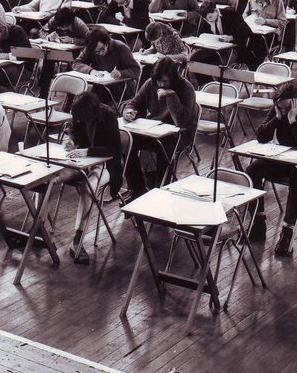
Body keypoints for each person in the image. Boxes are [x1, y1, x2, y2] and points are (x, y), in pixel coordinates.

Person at [246, 84, 297, 257]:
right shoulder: (278, 111)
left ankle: (287, 231)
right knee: (252, 171)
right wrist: (277, 118)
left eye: (287, 107)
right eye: (281, 107)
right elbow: (261, 137)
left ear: (296, 103)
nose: (285, 111)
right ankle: (258, 221)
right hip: (284, 158)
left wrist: (293, 121)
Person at [56, 91, 123, 262]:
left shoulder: (108, 116)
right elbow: (74, 134)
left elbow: (114, 149)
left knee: (89, 186)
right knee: (52, 177)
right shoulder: (79, 115)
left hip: (104, 164)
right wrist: (70, 141)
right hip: (82, 161)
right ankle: (38, 227)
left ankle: (77, 239)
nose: (80, 121)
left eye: (84, 118)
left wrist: (87, 151)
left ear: (92, 113)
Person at [123, 58, 197, 197]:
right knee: (128, 141)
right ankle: (137, 189)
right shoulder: (151, 84)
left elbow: (181, 121)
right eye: (158, 81)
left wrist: (171, 95)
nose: (160, 84)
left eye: (164, 81)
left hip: (180, 134)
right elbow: (134, 104)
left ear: (173, 78)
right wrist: (128, 112)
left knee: (165, 146)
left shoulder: (186, 88)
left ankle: (161, 190)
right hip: (155, 130)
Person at [74, 28, 140, 93]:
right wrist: (91, 71)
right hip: (100, 85)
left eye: (102, 49)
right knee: (83, 94)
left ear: (106, 41)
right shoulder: (90, 48)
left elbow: (137, 70)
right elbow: (76, 63)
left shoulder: (121, 48)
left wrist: (121, 73)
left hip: (121, 87)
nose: (100, 53)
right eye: (96, 52)